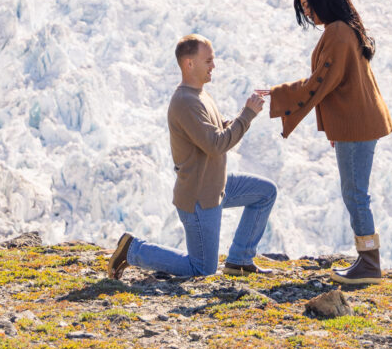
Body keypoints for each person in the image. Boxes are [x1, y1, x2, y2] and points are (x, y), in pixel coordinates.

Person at [258, 0, 392, 285]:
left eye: (308, 5)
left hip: (357, 125)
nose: (306, 12)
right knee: (355, 193)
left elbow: (321, 81)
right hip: (356, 122)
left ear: (323, 1)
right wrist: (335, 126)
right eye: (302, 7)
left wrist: (278, 94)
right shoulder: (346, 29)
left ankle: (369, 264)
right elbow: (339, 84)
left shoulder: (338, 32)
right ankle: (367, 260)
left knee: (355, 194)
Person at [108, 33, 276, 280]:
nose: (213, 66)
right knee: (202, 269)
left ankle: (239, 260)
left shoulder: (200, 95)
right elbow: (216, 144)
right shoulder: (185, 102)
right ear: (189, 64)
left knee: (265, 193)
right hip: (200, 197)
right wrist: (247, 116)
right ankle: (133, 250)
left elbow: (213, 131)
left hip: (216, 186)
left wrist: (243, 114)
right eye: (208, 61)